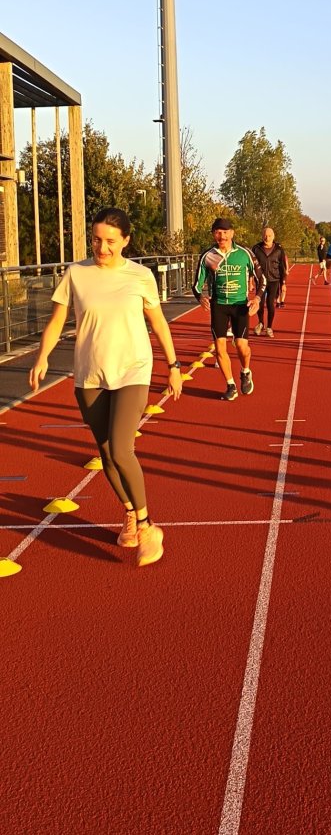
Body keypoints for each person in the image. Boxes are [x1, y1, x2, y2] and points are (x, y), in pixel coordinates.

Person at [29, 207, 182, 567]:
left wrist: (174, 366)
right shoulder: (76, 274)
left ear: (125, 241)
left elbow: (158, 322)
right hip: (90, 375)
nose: (103, 247)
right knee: (106, 451)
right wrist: (42, 357)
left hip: (133, 370)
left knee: (122, 447)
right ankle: (129, 511)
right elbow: (56, 321)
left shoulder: (141, 276)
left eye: (111, 241)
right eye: (97, 239)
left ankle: (147, 526)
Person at [192, 218, 262, 400]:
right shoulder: (208, 256)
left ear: (232, 233)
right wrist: (200, 297)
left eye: (225, 232)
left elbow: (262, 279)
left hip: (240, 304)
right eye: (217, 232)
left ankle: (246, 371)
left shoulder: (244, 253)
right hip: (219, 305)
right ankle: (230, 384)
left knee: (241, 346)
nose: (221, 236)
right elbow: (196, 285)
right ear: (213, 234)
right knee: (220, 347)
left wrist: (257, 299)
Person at [252, 227, 288, 338]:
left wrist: (283, 283)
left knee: (270, 304)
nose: (267, 238)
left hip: (274, 280)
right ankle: (261, 323)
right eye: (265, 235)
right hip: (260, 280)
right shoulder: (256, 248)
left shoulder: (279, 249)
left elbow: (282, 267)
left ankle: (269, 327)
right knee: (260, 303)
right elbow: (251, 265)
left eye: (269, 235)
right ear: (262, 236)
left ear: (273, 236)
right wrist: (250, 280)